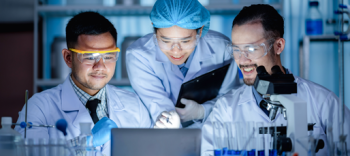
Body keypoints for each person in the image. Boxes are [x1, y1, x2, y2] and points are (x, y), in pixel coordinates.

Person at [201, 4, 350, 155]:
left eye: (251, 49)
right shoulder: (225, 111)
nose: (242, 60)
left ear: (278, 46)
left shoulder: (324, 102)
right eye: (236, 50)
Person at [15, 12, 152, 155]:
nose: (100, 66)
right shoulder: (39, 107)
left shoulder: (135, 106)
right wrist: (85, 144)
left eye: (108, 56)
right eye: (89, 57)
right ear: (68, 58)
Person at [126, 0, 240, 128]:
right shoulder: (139, 55)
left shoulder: (221, 47)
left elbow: (231, 99)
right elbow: (157, 105)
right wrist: (171, 122)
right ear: (154, 30)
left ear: (200, 31)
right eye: (165, 40)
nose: (175, 51)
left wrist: (203, 111)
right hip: (163, 137)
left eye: (185, 41)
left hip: (214, 132)